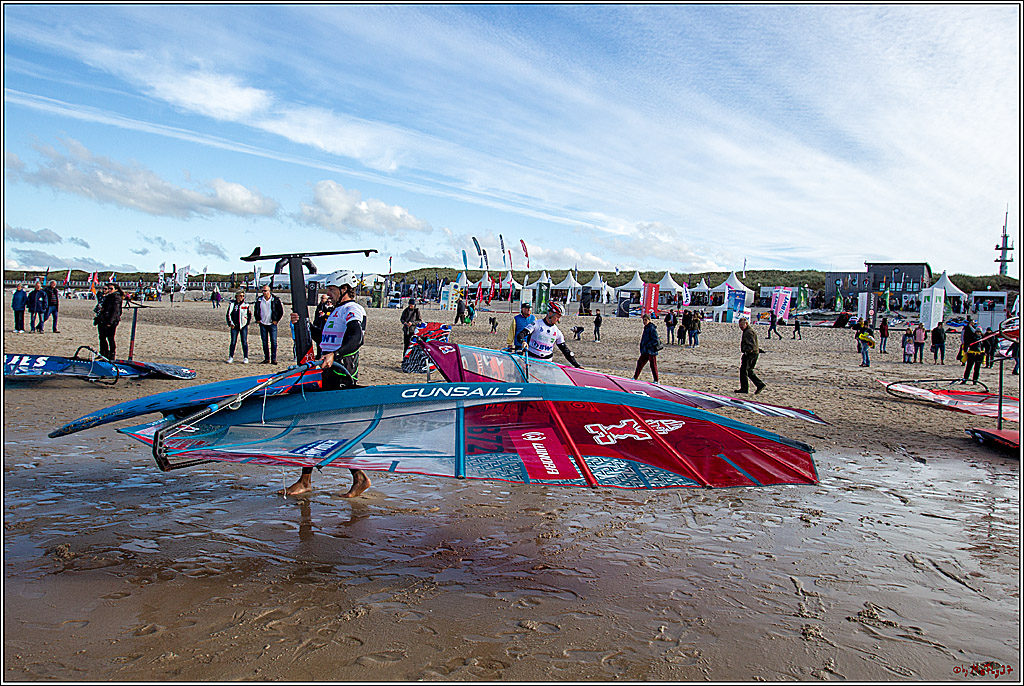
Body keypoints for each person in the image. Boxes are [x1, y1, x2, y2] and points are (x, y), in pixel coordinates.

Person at [284, 281, 370, 498]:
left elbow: (356, 338)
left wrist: (336, 356)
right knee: (315, 423)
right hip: (325, 370)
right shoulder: (336, 312)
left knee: (331, 427)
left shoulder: (353, 309)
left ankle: (358, 476)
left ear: (345, 290)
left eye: (332, 290)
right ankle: (307, 480)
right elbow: (323, 339)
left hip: (341, 373)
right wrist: (302, 324)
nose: (328, 295)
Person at [515, 301, 582, 368]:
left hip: (546, 365)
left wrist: (577, 365)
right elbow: (521, 334)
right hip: (532, 362)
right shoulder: (536, 324)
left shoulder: (557, 332)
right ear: (550, 313)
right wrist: (523, 341)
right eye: (557, 317)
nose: (558, 320)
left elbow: (565, 351)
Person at [736, 317, 766, 394]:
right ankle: (760, 385)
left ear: (746, 324)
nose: (741, 328)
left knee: (744, 371)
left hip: (750, 354)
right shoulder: (747, 331)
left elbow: (752, 345)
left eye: (742, 327)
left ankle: (745, 389)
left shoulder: (749, 332)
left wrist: (747, 352)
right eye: (740, 327)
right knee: (749, 371)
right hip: (753, 353)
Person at [255, 285, 283, 364]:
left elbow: (280, 311)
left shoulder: (275, 300)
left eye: (265, 291)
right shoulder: (259, 300)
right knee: (264, 342)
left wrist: (276, 320)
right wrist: (257, 319)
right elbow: (256, 310)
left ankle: (273, 358)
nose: (264, 292)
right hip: (263, 323)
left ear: (269, 291)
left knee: (273, 341)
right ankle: (266, 358)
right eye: (263, 291)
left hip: (272, 323)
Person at [94, 282, 123, 360]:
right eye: (107, 289)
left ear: (115, 289)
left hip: (110, 320)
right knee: (102, 337)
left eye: (110, 289)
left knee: (110, 338)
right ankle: (103, 353)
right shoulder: (107, 297)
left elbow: (115, 311)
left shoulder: (116, 297)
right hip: (103, 319)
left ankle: (111, 354)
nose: (108, 290)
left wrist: (110, 321)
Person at [225, 290, 252, 364]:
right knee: (233, 342)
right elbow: (228, 314)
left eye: (243, 296)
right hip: (234, 326)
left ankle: (245, 357)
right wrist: (230, 323)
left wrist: (246, 323)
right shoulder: (232, 304)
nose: (241, 297)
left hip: (243, 326)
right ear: (236, 296)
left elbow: (249, 315)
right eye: (240, 296)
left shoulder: (246, 305)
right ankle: (231, 357)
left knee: (244, 342)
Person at [634, 313, 661, 382]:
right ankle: (635, 377)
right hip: (645, 351)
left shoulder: (651, 328)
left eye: (646, 320)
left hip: (651, 351)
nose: (644, 322)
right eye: (643, 320)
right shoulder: (646, 328)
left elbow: (655, 340)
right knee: (640, 363)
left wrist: (648, 345)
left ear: (649, 320)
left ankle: (656, 380)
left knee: (653, 365)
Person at [961, 320, 984, 384]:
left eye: (979, 332)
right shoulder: (972, 338)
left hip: (979, 355)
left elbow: (987, 345)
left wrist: (986, 352)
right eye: (977, 332)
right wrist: (965, 351)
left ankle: (975, 380)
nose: (978, 333)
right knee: (968, 368)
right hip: (971, 354)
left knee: (977, 369)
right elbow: (967, 343)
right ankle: (965, 379)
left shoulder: (983, 339)